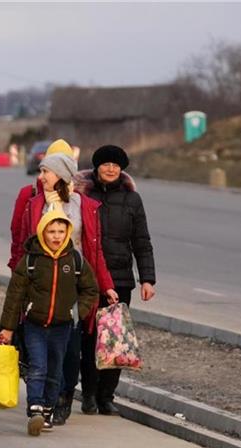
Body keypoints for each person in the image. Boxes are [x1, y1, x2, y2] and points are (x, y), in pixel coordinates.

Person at [12, 140, 118, 426]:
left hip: (73, 283)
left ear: (61, 174)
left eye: (46, 170)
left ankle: (64, 396)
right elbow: (22, 245)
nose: (41, 175)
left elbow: (94, 251)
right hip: (40, 283)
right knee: (38, 350)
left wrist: (105, 285)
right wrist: (19, 280)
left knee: (70, 350)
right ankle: (43, 401)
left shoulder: (85, 206)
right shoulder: (34, 204)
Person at [0, 208, 98, 436]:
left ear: (68, 233)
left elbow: (90, 289)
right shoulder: (31, 261)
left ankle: (47, 410)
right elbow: (14, 296)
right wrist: (7, 328)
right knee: (37, 366)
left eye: (61, 231)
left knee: (55, 370)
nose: (56, 236)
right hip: (35, 325)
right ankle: (34, 408)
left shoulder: (75, 260)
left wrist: (77, 314)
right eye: (51, 231)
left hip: (63, 327)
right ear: (42, 233)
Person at [75, 145, 156, 415]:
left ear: (122, 169)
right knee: (90, 340)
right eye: (105, 164)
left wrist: (147, 279)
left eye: (116, 164)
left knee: (116, 339)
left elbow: (142, 241)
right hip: (89, 278)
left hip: (121, 280)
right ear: (96, 167)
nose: (110, 168)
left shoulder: (133, 199)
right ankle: (87, 394)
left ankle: (106, 397)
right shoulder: (83, 195)